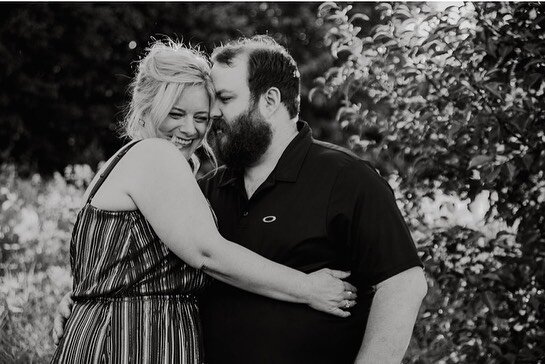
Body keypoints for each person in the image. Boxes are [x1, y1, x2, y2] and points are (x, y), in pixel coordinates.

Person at [50, 40, 357, 364]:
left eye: (201, 117)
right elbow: (208, 253)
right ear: (147, 106)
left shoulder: (123, 164)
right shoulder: (156, 155)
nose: (190, 129)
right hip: (130, 343)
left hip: (111, 335)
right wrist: (309, 288)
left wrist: (81, 295)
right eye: (176, 113)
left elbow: (113, 270)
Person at [197, 35, 428, 364]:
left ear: (270, 100)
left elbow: (403, 285)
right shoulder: (206, 190)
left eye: (225, 98)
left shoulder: (347, 179)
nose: (212, 113)